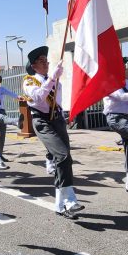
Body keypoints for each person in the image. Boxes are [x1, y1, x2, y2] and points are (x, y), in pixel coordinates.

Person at [22, 46, 84, 219]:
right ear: (34, 66)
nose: (46, 63)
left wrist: (65, 116)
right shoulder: (29, 81)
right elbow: (39, 97)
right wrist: (51, 78)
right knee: (62, 156)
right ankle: (70, 199)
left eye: (46, 60)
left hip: (57, 119)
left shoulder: (55, 80)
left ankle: (59, 205)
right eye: (42, 61)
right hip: (42, 121)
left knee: (64, 161)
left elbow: (58, 102)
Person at [0, 73, 21, 163]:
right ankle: (16, 121)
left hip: (2, 110)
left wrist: (18, 97)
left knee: (2, 135)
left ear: (0, 80)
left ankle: (0, 154)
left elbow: (11, 93)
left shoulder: (2, 89)